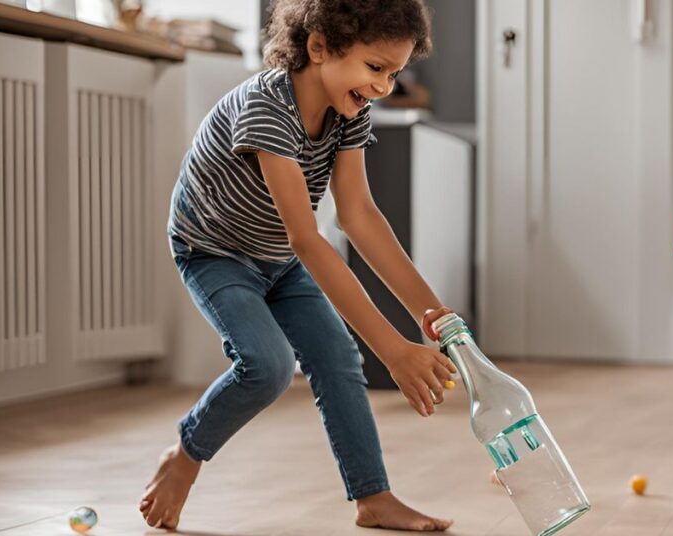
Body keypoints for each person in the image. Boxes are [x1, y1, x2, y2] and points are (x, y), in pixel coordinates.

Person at [139, 0, 457, 530]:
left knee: (337, 358)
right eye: (375, 68)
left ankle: (372, 497)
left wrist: (433, 315)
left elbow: (359, 215)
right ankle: (185, 456)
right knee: (267, 367)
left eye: (394, 74)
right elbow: (308, 240)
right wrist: (394, 350)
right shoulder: (267, 107)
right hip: (214, 251)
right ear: (318, 47)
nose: (383, 86)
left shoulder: (349, 111)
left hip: (277, 257)